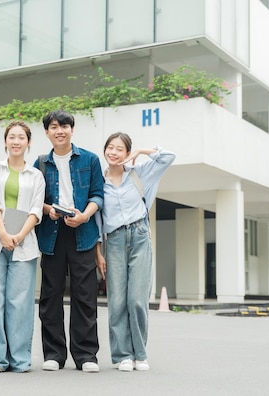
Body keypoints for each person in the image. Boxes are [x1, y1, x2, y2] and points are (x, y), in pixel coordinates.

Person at [95, 132, 175, 372]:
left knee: (137, 300)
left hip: (140, 236)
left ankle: (140, 353)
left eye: (119, 149)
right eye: (110, 147)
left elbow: (169, 157)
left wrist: (141, 152)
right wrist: (98, 253)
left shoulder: (140, 173)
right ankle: (122, 356)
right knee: (117, 301)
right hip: (115, 240)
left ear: (126, 153)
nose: (113, 152)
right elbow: (98, 221)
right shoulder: (99, 182)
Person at [33, 110, 104, 373]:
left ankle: (86, 355)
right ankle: (53, 354)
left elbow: (98, 194)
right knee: (50, 295)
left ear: (72, 130)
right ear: (47, 132)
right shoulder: (40, 163)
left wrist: (85, 215)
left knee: (85, 296)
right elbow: (33, 198)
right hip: (52, 232)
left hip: (82, 232)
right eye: (54, 126)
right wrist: (47, 209)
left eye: (64, 126)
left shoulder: (90, 159)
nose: (59, 130)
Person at [0, 121, 46, 373]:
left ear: (28, 143)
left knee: (20, 302)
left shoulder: (36, 175)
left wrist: (18, 235)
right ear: (5, 141)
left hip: (25, 244)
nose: (16, 141)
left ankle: (19, 358)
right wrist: (3, 233)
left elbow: (36, 210)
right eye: (11, 137)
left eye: (21, 137)